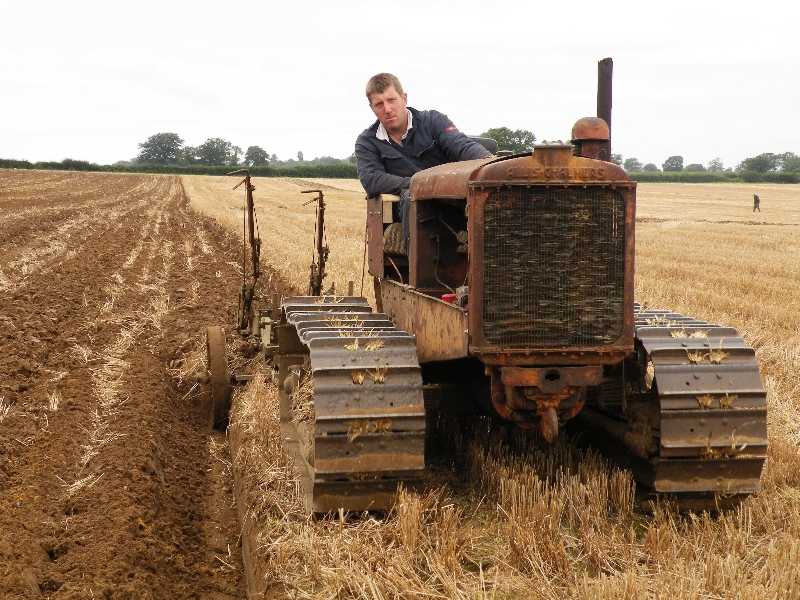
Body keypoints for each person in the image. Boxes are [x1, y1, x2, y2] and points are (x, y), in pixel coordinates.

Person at [354, 73, 492, 253]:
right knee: (411, 197)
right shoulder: (367, 142)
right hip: (411, 205)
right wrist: (421, 184)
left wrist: (490, 163)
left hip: (451, 201)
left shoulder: (433, 121)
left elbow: (460, 145)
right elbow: (372, 180)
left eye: (391, 100)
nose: (387, 109)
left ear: (404, 98)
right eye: (379, 104)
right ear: (372, 108)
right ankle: (420, 275)